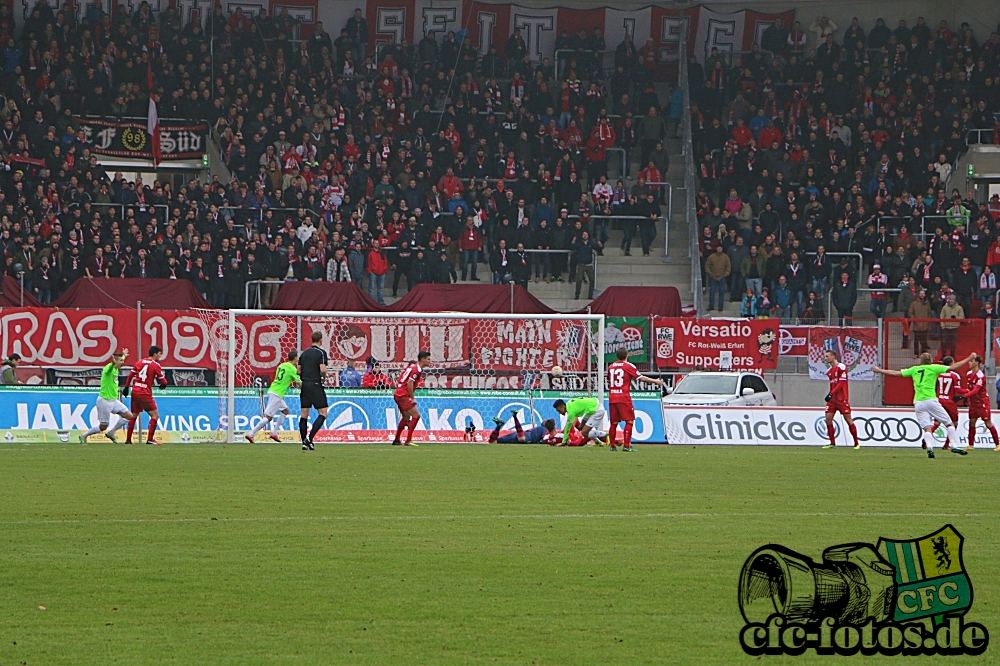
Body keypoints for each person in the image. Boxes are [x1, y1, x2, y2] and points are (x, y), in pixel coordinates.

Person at [874, 352, 975, 458]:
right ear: (931, 360)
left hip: (918, 402)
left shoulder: (914, 369)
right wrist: (969, 358)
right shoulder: (934, 368)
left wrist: (879, 370)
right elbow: (953, 367)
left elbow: (894, 373)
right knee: (949, 424)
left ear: (920, 361)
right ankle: (954, 445)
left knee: (927, 428)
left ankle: (930, 448)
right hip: (931, 400)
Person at [607, 347, 665, 451]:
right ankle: (627, 446)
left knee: (614, 422)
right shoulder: (628, 366)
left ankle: (612, 446)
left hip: (612, 397)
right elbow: (641, 378)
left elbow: (609, 380)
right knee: (629, 421)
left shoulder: (611, 367)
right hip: (623, 397)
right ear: (627, 355)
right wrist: (656, 381)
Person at [80, 349, 135, 444]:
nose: (123, 362)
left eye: (123, 360)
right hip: (104, 401)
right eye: (121, 361)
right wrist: (113, 363)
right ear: (115, 361)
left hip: (114, 401)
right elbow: (111, 367)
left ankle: (111, 433)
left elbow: (118, 362)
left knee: (129, 416)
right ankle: (84, 436)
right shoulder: (108, 369)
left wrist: (124, 355)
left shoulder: (116, 369)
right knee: (103, 426)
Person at [245, 350, 299, 443]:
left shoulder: (281, 365)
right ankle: (251, 434)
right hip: (277, 393)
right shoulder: (292, 369)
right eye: (297, 357)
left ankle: (274, 433)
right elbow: (299, 383)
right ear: (295, 358)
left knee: (285, 411)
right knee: (268, 417)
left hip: (273, 390)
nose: (298, 358)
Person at [122, 346, 168, 445]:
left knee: (134, 415)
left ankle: (128, 439)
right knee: (155, 415)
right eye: (159, 353)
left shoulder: (139, 362)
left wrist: (126, 387)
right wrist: (163, 384)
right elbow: (163, 381)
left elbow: (130, 375)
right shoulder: (155, 365)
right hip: (145, 392)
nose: (160, 355)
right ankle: (150, 439)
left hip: (135, 390)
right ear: (155, 354)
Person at [297, 331, 330, 450]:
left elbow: (298, 371)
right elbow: (323, 370)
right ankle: (309, 439)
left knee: (304, 415)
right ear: (321, 340)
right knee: (323, 413)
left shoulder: (304, 354)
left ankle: (303, 442)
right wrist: (324, 378)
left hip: (305, 385)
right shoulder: (321, 353)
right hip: (315, 384)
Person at [960, 354, 1000, 451]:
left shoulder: (981, 376)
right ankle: (970, 445)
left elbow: (976, 390)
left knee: (988, 423)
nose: (969, 363)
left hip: (982, 402)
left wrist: (964, 396)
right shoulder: (969, 374)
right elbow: (969, 389)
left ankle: (998, 444)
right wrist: (960, 392)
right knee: (971, 422)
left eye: (972, 361)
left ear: (977, 363)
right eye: (969, 361)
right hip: (973, 403)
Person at [821, 350, 859, 449]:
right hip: (832, 400)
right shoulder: (829, 371)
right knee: (828, 419)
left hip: (842, 399)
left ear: (833, 356)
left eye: (827, 356)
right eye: (826, 356)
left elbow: (841, 383)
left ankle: (856, 443)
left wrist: (831, 393)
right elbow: (833, 384)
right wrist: (831, 395)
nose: (826, 358)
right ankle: (832, 443)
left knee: (848, 419)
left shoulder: (841, 367)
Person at [392, 351, 431, 446]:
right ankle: (408, 440)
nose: (430, 361)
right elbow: (410, 383)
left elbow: (402, 379)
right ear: (423, 359)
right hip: (403, 395)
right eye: (428, 359)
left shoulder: (412, 367)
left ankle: (397, 439)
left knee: (406, 417)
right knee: (416, 415)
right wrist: (412, 398)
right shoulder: (416, 370)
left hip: (398, 394)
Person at [933, 356, 962, 450]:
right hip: (949, 402)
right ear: (951, 364)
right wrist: (967, 392)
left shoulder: (938, 374)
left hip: (939, 400)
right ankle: (947, 445)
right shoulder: (954, 375)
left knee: (936, 422)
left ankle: (926, 440)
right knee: (954, 423)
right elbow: (958, 389)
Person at [488, 409, 557, 444]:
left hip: (516, 434)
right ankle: (515, 417)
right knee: (522, 439)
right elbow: (544, 440)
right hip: (526, 436)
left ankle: (498, 426)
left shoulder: (537, 428)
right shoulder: (544, 430)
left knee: (493, 442)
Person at [939, 293, 964, 359]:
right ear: (948, 300)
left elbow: (962, 317)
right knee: (944, 342)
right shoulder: (944, 307)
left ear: (955, 300)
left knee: (953, 343)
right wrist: (943, 326)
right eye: (950, 299)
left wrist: (956, 318)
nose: (951, 300)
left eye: (953, 299)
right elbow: (941, 317)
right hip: (946, 327)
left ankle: (952, 356)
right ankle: (943, 355)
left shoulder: (959, 308)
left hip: (954, 327)